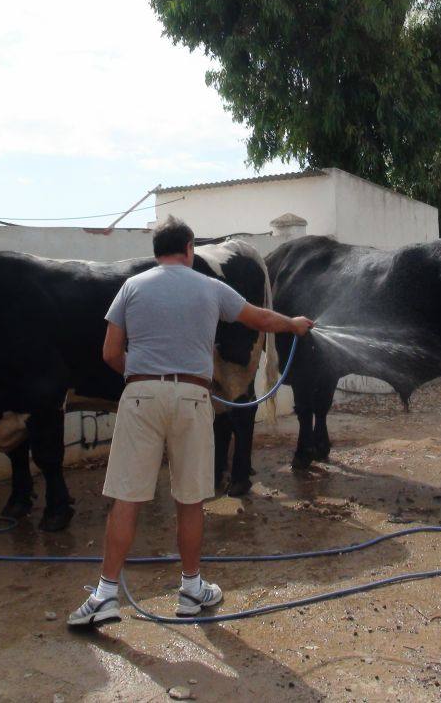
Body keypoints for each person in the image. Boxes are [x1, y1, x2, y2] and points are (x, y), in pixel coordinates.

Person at [68, 216, 315, 628]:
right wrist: (294, 324)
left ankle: (106, 594)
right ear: (189, 249)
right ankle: (190, 590)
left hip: (141, 395)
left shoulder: (131, 287)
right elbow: (260, 319)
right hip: (193, 397)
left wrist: (144, 373)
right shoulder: (210, 286)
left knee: (126, 498)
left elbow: (110, 353)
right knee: (190, 499)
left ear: (155, 253)